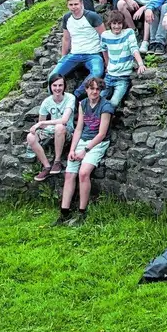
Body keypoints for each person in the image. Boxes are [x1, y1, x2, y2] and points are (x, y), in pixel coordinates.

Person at [55, 76, 113, 227]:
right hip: (82, 140)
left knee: (83, 173)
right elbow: (79, 128)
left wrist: (85, 151)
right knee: (69, 173)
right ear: (86, 89)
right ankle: (64, 212)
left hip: (97, 143)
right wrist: (73, 149)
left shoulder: (106, 106)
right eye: (91, 88)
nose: (94, 92)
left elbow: (101, 134)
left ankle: (82, 212)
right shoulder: (83, 104)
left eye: (97, 89)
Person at [85, 7, 146, 106]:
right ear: (110, 24)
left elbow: (134, 49)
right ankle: (93, 120)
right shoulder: (105, 35)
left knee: (113, 102)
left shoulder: (128, 33)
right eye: (114, 23)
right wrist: (107, 65)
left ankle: (107, 119)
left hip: (123, 77)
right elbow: (104, 50)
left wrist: (140, 64)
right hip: (110, 76)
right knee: (96, 99)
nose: (117, 26)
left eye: (119, 23)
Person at [27, 74, 74, 181]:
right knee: (30, 137)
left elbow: (64, 120)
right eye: (55, 85)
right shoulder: (46, 102)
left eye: (60, 85)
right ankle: (47, 166)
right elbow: (42, 123)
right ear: (50, 87)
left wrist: (41, 124)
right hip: (51, 131)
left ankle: (57, 162)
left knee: (59, 127)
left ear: (64, 86)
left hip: (67, 131)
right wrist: (37, 126)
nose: (57, 88)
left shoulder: (70, 98)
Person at [50, 0, 104, 82]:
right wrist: (63, 56)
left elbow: (104, 37)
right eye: (71, 5)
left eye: (76, 4)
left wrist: (106, 59)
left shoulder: (92, 16)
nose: (73, 7)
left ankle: (77, 94)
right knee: (53, 76)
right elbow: (66, 39)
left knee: (97, 73)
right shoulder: (67, 17)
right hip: (74, 54)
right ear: (67, 6)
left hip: (93, 54)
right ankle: (55, 95)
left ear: (81, 3)